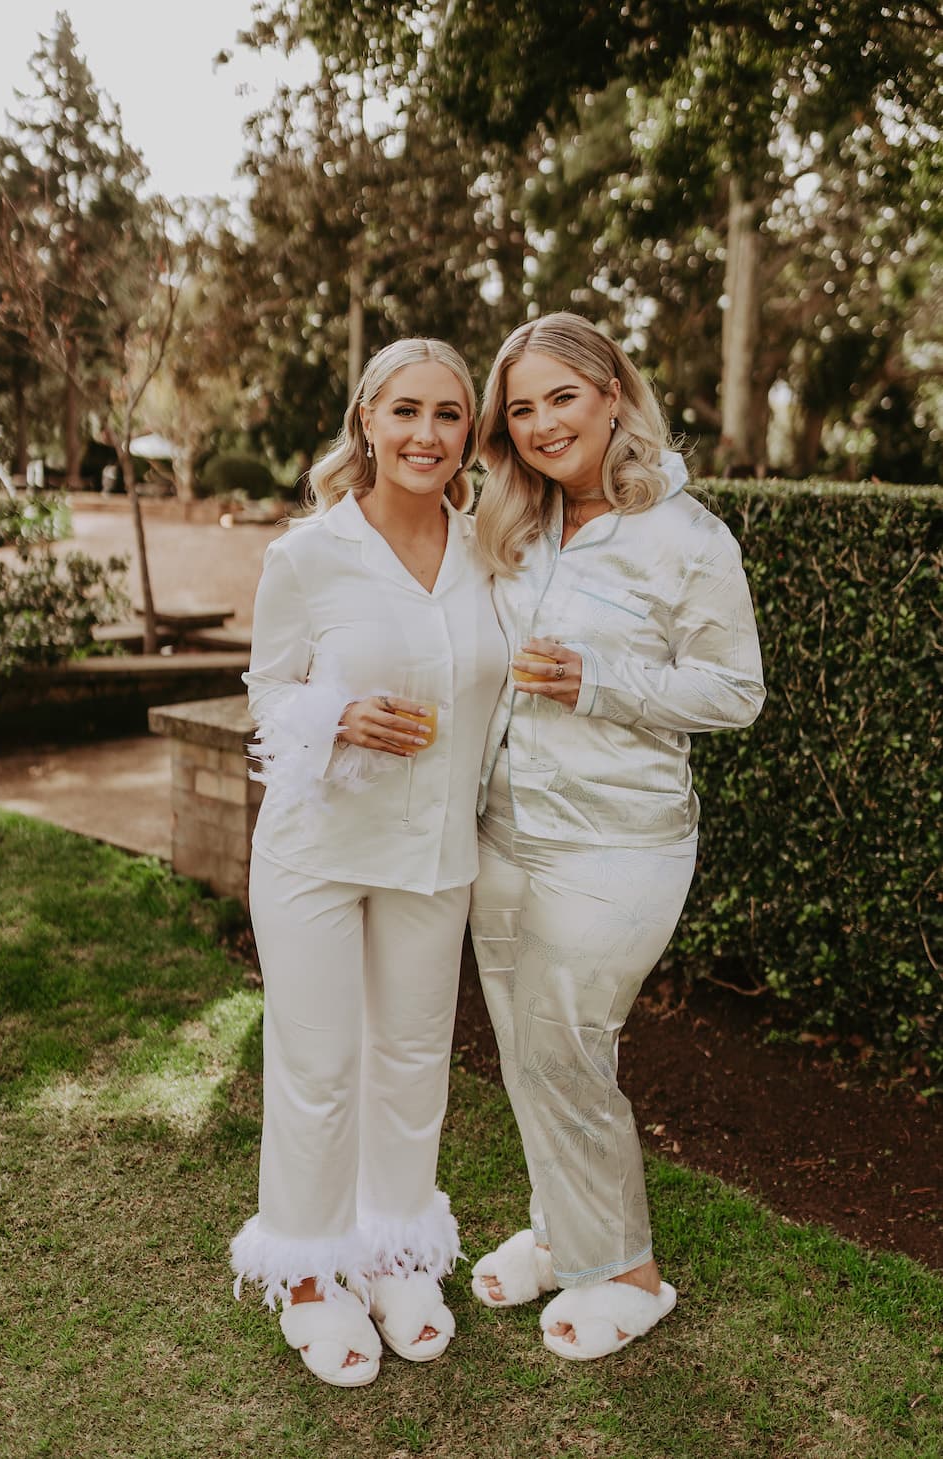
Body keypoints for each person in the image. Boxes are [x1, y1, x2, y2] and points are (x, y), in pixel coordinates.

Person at [468, 312, 765, 1361]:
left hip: (619, 844)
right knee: (524, 1047)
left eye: (562, 396)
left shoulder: (685, 535)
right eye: (521, 408)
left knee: (567, 1045)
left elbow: (737, 691)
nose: (545, 422)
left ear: (609, 393)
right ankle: (562, 1234)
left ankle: (629, 1274)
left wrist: (602, 682)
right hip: (501, 834)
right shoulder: (514, 523)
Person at [231, 338, 507, 1387]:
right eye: (405, 412)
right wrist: (335, 712)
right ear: (366, 422)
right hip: (315, 851)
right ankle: (309, 1275)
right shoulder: (307, 555)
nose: (426, 434)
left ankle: (395, 1255)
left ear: (468, 433)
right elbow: (265, 691)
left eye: (447, 414)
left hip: (435, 851)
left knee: (410, 1063)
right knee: (317, 1064)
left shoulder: (493, 551)